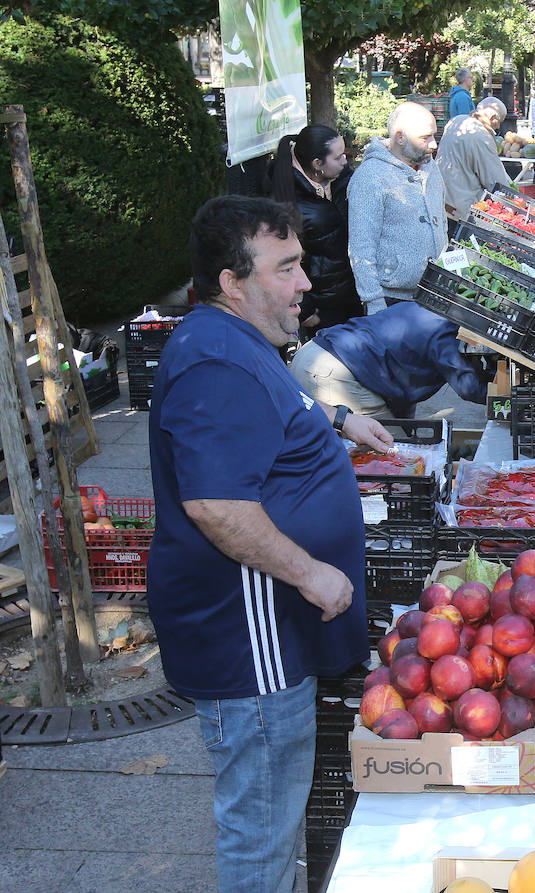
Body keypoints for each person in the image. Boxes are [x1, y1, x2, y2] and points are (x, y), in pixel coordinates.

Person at [147, 195, 393, 893]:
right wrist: (309, 571)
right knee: (261, 828)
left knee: (274, 816)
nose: (306, 282)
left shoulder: (233, 342)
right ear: (233, 282)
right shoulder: (213, 363)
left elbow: (268, 406)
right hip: (250, 640)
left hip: (268, 635)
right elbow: (215, 504)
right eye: (286, 268)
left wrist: (336, 418)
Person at [290, 301, 486, 418]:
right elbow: (470, 388)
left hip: (315, 353)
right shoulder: (447, 333)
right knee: (393, 453)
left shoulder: (423, 308)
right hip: (330, 372)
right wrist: (505, 398)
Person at [348, 101, 446, 315]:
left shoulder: (430, 166)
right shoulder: (370, 177)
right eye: (425, 137)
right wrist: (373, 302)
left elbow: (441, 220)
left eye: (434, 136)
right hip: (393, 301)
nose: (433, 144)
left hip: (433, 294)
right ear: (400, 137)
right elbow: (361, 247)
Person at [268, 124, 362, 337]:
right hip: (322, 307)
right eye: (338, 158)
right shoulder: (286, 200)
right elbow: (282, 260)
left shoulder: (343, 180)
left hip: (350, 295)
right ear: (317, 164)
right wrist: (306, 310)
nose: (345, 162)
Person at [437, 97, 511, 233]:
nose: (499, 127)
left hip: (441, 198)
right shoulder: (481, 136)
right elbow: (494, 182)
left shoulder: (456, 121)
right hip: (461, 208)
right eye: (499, 122)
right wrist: (512, 197)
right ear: (493, 117)